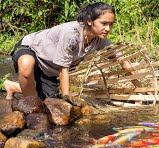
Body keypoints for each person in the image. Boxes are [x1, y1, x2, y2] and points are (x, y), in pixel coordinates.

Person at [4, 2, 140, 101]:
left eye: (111, 24)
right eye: (104, 23)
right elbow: (64, 69)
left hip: (50, 68)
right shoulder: (71, 34)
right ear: (89, 21)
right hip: (32, 49)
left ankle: (12, 86)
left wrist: (139, 90)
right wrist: (66, 97)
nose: (108, 29)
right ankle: (30, 106)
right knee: (27, 66)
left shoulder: (101, 41)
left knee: (48, 99)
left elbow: (124, 63)